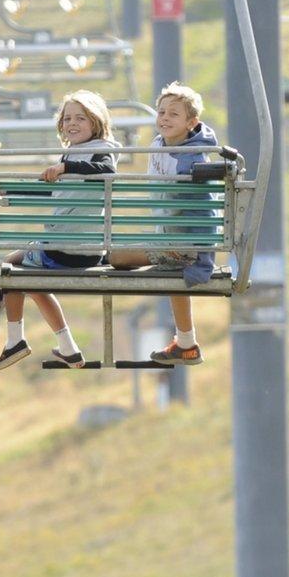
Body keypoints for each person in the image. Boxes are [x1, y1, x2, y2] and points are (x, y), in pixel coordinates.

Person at [0, 90, 118, 372]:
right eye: (66, 119)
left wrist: (65, 166)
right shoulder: (74, 152)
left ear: (96, 122)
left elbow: (107, 169)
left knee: (9, 268)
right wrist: (10, 192)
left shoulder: (102, 149)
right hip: (79, 248)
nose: (71, 123)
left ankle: (14, 339)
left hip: (66, 249)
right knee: (33, 281)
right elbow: (53, 191)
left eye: (80, 118)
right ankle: (68, 348)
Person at [108, 81, 219, 366]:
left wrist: (203, 258)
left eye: (173, 114)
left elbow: (206, 213)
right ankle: (186, 343)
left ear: (191, 122)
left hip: (183, 247)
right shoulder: (158, 144)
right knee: (163, 269)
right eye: (161, 113)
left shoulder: (193, 162)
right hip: (167, 237)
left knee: (117, 256)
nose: (165, 119)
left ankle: (186, 341)